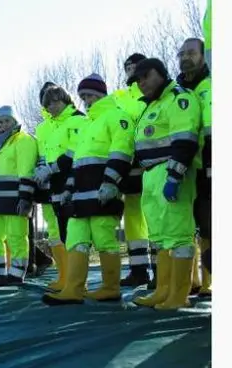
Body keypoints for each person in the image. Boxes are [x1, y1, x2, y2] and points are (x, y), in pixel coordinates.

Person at [42, 74, 135, 306]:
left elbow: (122, 151)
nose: (86, 100)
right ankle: (74, 289)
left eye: (90, 95)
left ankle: (110, 287)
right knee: (75, 238)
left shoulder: (117, 117)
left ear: (102, 93)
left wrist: (111, 182)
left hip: (102, 192)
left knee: (104, 239)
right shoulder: (88, 124)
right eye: (83, 96)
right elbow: (78, 163)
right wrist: (68, 189)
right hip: (79, 195)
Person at [130, 58, 201, 310]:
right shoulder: (150, 106)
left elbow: (185, 139)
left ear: (160, 73)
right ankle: (163, 290)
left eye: (145, 77)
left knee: (179, 236)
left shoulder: (178, 99)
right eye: (137, 81)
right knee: (160, 238)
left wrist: (175, 176)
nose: (141, 84)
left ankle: (179, 295)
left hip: (169, 171)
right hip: (150, 175)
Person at [34, 85, 87, 292]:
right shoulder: (50, 127)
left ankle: (76, 284)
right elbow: (45, 154)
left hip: (75, 181)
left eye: (55, 101)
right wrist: (43, 172)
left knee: (75, 234)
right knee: (64, 233)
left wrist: (51, 168)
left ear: (66, 99)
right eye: (47, 104)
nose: (51, 107)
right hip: (55, 184)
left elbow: (74, 152)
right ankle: (67, 280)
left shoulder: (78, 120)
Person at [0, 105, 38, 286]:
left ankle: (16, 274)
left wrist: (26, 198)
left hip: (15, 199)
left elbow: (26, 170)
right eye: (1, 121)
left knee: (16, 237)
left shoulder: (24, 140)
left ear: (14, 121)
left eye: (7, 121)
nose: (3, 125)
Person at [112, 53, 154, 289]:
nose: (130, 70)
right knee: (133, 219)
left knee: (153, 216)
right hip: (125, 165)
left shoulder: (151, 93)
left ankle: (161, 271)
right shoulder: (119, 97)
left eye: (135, 66)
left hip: (147, 163)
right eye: (127, 67)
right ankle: (139, 270)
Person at [176, 38, 212, 297]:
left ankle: (209, 283)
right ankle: (193, 281)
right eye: (181, 53)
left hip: (207, 168)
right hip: (187, 170)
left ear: (203, 55)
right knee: (189, 226)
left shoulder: (210, 87)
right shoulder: (178, 93)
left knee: (210, 225)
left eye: (191, 52)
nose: (185, 57)